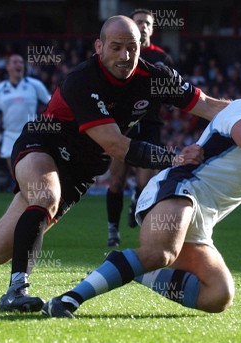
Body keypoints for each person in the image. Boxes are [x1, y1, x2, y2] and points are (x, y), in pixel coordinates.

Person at [0, 15, 228, 314]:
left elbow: (211, 107)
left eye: (133, 48)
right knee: (45, 195)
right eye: (116, 47)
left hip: (79, 172)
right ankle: (17, 291)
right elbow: (115, 145)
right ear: (99, 46)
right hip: (41, 145)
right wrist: (174, 156)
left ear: (142, 46)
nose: (125, 56)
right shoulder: (82, 80)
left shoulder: (156, 75)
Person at [41, 72, 241, 318]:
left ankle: (127, 268)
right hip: (181, 188)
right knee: (161, 253)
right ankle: (68, 299)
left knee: (218, 295)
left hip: (204, 219)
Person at [105, 8, 176, 247]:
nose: (143, 26)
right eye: (138, 22)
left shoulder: (162, 59)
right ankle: (113, 229)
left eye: (147, 23)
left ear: (152, 29)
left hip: (149, 124)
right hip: (121, 125)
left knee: (146, 182)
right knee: (117, 181)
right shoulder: (119, 55)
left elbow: (171, 91)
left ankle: (138, 201)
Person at [0, 53, 51, 178]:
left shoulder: (34, 85)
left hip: (30, 134)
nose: (19, 64)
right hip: (9, 135)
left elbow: (51, 101)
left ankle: (32, 195)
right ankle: (24, 196)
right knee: (16, 176)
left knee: (32, 173)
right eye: (15, 62)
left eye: (21, 62)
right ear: (8, 67)